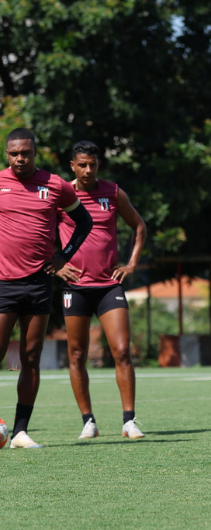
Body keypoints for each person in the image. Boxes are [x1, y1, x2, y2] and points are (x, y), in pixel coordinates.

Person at [0, 128, 93, 448]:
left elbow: (85, 222)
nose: (19, 158)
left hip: (39, 283)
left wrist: (63, 256)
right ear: (6, 153)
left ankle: (21, 432)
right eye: (13, 153)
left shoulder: (55, 185)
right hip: (3, 283)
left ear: (34, 152)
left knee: (30, 356)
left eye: (25, 152)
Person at [55, 141, 147, 440]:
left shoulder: (112, 192)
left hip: (109, 286)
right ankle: (88, 421)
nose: (88, 170)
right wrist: (56, 266)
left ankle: (129, 421)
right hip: (75, 287)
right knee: (77, 354)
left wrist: (131, 264)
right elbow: (39, 232)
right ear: (72, 165)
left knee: (121, 351)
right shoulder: (61, 195)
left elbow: (139, 226)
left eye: (93, 164)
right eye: (82, 164)